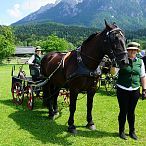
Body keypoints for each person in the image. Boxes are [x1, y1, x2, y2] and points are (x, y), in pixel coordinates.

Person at [116, 41, 146, 140]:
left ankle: (132, 131)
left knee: (131, 112)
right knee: (123, 111)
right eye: (130, 50)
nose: (132, 51)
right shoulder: (121, 60)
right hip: (122, 89)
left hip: (135, 90)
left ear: (137, 51)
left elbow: (142, 76)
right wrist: (113, 64)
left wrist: (144, 89)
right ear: (127, 51)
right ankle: (121, 131)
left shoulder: (140, 62)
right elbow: (113, 73)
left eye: (134, 50)